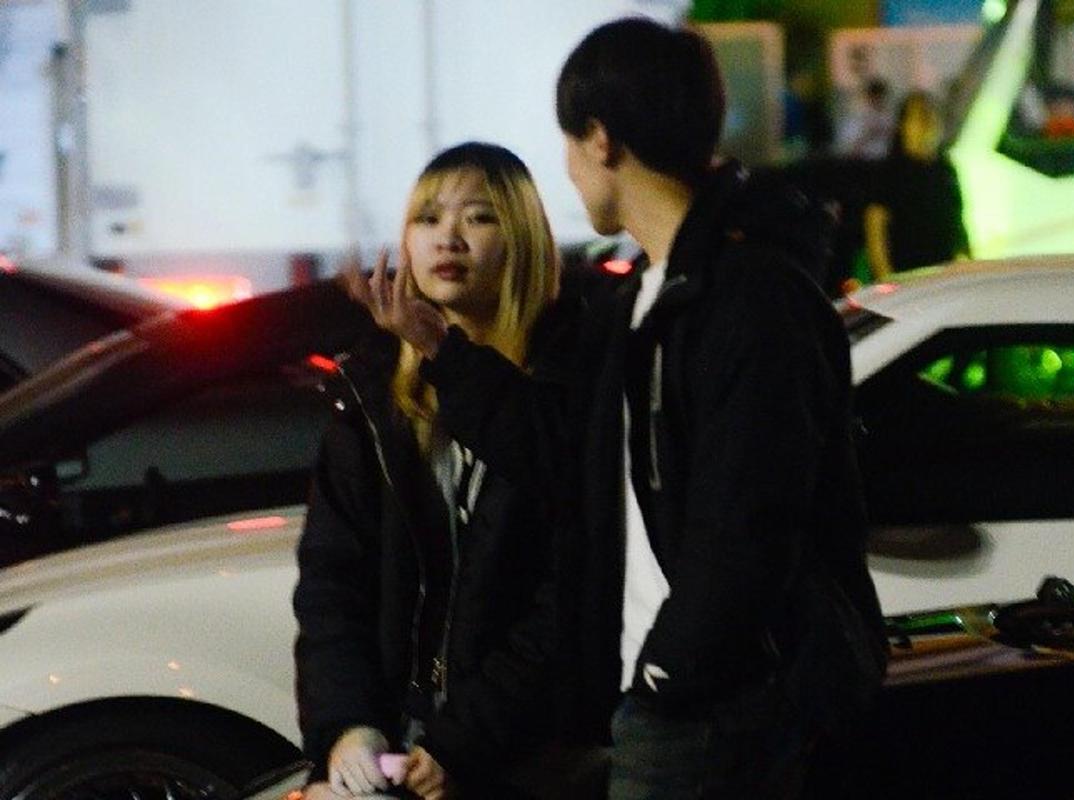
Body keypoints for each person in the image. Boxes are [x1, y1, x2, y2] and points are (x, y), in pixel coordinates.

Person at [366, 17, 888, 800]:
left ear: (601, 140)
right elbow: (569, 461)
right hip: (653, 698)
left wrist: (669, 668)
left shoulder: (749, 298)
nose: (570, 173)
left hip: (712, 707)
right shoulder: (636, 301)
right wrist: (445, 355)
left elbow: (749, 518)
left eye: (570, 146)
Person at [293, 142, 567, 800]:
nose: (447, 236)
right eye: (427, 217)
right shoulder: (371, 395)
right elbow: (334, 588)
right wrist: (348, 729)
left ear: (523, 235)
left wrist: (462, 744)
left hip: (528, 750)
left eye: (478, 217)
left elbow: (563, 605)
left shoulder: (565, 383)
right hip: (404, 737)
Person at [864, 91, 971, 280]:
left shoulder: (945, 170)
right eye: (918, 118)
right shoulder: (890, 172)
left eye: (930, 116)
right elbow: (875, 228)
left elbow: (957, 223)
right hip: (906, 283)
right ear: (903, 126)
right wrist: (885, 278)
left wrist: (968, 263)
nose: (926, 124)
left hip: (944, 278)